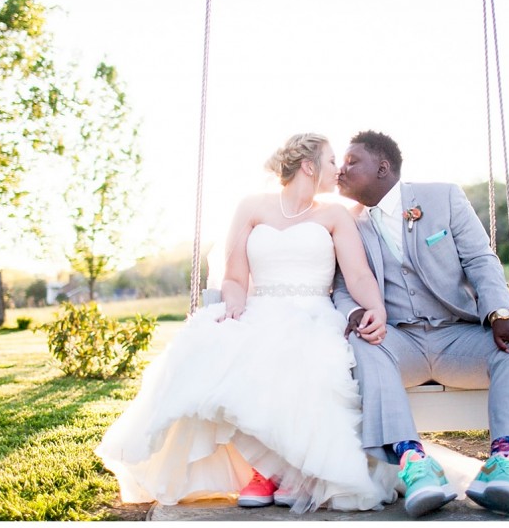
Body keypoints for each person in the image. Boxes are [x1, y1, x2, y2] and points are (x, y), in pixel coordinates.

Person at [95, 133, 399, 514]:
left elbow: (357, 275)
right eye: (332, 160)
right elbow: (235, 277)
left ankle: (291, 473)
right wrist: (235, 305)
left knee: (311, 364)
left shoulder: (335, 214)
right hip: (260, 307)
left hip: (313, 313)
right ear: (309, 166)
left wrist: (377, 309)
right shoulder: (252, 207)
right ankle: (263, 470)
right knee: (221, 351)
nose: (338, 169)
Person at [333, 130, 509, 518]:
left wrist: (500, 315)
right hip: (397, 339)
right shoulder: (346, 223)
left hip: (457, 334)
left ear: (382, 168)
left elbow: (481, 260)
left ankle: (505, 464)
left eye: (351, 162)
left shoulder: (443, 197)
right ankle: (415, 465)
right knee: (365, 344)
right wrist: (355, 315)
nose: (339, 170)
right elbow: (342, 287)